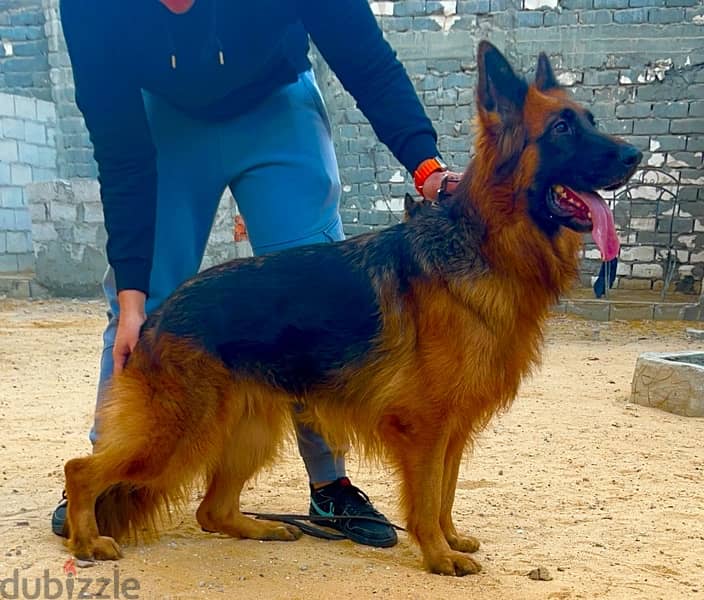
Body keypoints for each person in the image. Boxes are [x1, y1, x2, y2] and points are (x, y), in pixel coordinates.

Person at [52, 0, 460, 548]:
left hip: (276, 104)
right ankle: (112, 470)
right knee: (143, 305)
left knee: (319, 292)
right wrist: (132, 297)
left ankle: (329, 482)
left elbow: (365, 58)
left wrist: (426, 165)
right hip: (165, 117)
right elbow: (120, 150)